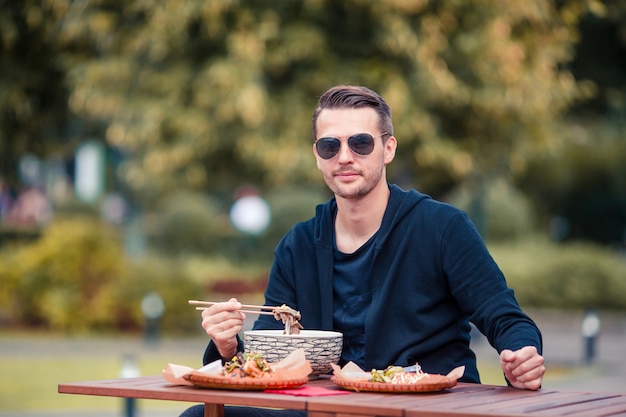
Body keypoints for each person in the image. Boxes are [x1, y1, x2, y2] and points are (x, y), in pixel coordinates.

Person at [179, 85, 545, 417]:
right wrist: (227, 347)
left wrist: (522, 354)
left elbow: (506, 318)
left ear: (388, 149)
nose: (344, 157)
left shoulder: (442, 228)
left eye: (361, 143)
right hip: (323, 409)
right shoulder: (299, 244)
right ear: (317, 156)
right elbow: (265, 360)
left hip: (423, 408)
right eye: (330, 145)